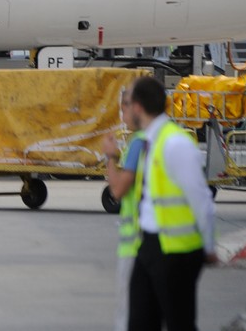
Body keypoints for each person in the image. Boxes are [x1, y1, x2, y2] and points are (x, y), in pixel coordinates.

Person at [122, 76, 216, 331]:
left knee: (180, 324)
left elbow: (201, 199)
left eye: (127, 103)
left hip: (177, 253)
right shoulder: (146, 142)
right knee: (140, 323)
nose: (124, 110)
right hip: (150, 245)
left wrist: (209, 245)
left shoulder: (175, 143)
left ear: (138, 107)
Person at [103, 92, 149, 331]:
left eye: (123, 110)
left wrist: (110, 157)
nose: (122, 116)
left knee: (127, 310)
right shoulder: (164, 137)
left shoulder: (137, 143)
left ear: (136, 108)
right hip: (159, 239)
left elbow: (118, 191)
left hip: (135, 242)